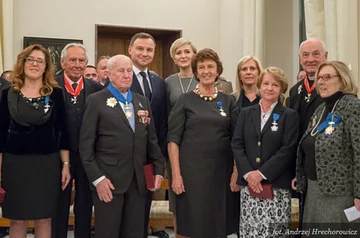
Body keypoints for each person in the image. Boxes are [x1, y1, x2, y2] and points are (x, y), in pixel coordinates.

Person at [79, 54, 165, 238]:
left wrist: (158, 169)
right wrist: (97, 179)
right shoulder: (96, 101)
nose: (127, 75)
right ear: (109, 74)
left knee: (135, 232)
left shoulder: (142, 101)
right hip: (109, 180)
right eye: (121, 71)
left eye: (129, 70)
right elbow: (86, 146)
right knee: (108, 232)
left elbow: (152, 139)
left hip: (138, 180)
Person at [0, 44, 71, 237]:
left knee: (44, 218)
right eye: (30, 59)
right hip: (15, 165)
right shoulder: (8, 94)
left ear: (46, 66)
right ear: (22, 63)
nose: (35, 64)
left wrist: (66, 165)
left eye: (40, 61)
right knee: (17, 219)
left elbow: (63, 133)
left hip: (46, 164)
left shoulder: (55, 94)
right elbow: (0, 136)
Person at [168, 48, 238, 238]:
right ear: (196, 72)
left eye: (210, 67)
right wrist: (176, 175)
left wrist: (235, 172)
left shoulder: (229, 101)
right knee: (194, 223)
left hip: (221, 172)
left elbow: (236, 140)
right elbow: (173, 140)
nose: (206, 71)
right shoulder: (184, 100)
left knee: (219, 223)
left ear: (218, 71)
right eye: (201, 67)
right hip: (192, 173)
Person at [232, 67, 299, 237]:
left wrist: (261, 174)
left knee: (273, 232)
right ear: (260, 85)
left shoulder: (289, 115)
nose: (270, 88)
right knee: (251, 232)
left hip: (276, 185)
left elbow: (288, 149)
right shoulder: (246, 113)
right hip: (249, 186)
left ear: (281, 89)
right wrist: (248, 173)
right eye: (266, 83)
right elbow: (237, 144)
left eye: (275, 85)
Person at [295, 61, 360, 230]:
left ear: (343, 79)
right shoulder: (321, 110)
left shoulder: (352, 106)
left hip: (339, 193)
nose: (321, 82)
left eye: (327, 77)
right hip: (314, 190)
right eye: (319, 78)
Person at [52, 43, 103, 238]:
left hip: (87, 156)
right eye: (72, 60)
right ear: (63, 62)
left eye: (82, 60)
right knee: (59, 203)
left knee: (84, 204)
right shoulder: (51, 85)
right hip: (58, 155)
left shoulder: (96, 89)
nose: (77, 64)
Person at [128, 32, 168, 238]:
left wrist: (159, 156)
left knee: (144, 207)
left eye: (149, 50)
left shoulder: (159, 82)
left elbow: (161, 121)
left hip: (152, 156)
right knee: (129, 212)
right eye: (140, 49)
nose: (145, 53)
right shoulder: (122, 78)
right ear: (130, 50)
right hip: (127, 157)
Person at [164, 37, 197, 238]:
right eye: (178, 53)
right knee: (179, 198)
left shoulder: (204, 78)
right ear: (174, 59)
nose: (183, 56)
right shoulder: (168, 82)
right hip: (176, 146)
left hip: (199, 146)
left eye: (187, 52)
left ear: (194, 55)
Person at [288, 39, 328, 137]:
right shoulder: (294, 91)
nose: (310, 60)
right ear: (300, 58)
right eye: (305, 55)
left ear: (325, 56)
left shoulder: (335, 86)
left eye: (316, 54)